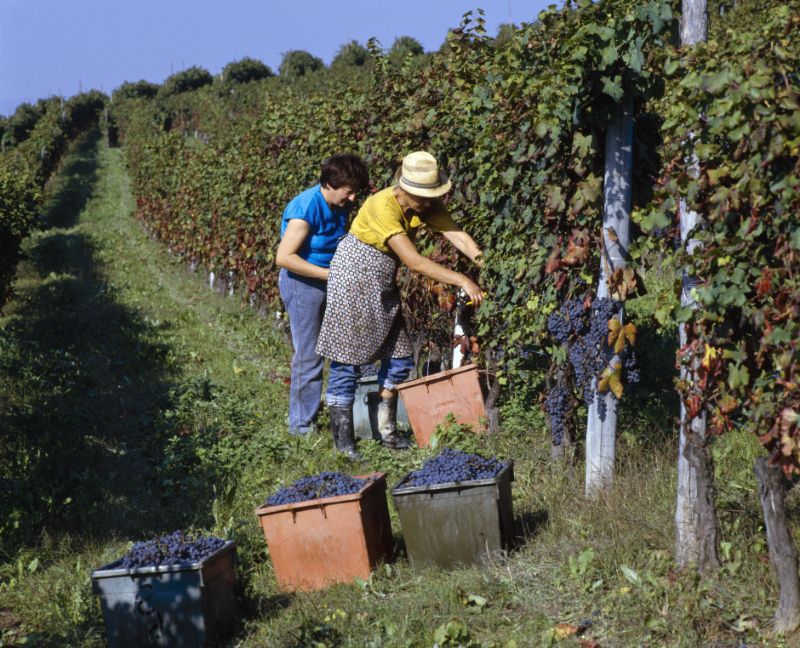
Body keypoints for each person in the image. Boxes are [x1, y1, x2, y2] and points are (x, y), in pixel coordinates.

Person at [316, 151, 484, 457]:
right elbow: (414, 262)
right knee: (348, 358)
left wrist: (484, 261)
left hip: (381, 280)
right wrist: (462, 279)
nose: (430, 202)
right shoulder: (382, 206)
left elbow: (455, 234)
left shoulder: (425, 205)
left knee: (399, 356)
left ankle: (388, 433)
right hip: (353, 278)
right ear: (405, 190)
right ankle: (344, 445)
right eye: (425, 196)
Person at [276, 154, 369, 436]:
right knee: (309, 354)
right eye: (349, 191)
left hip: (330, 280)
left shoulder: (340, 205)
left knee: (344, 349)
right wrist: (330, 275)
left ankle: (340, 415)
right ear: (329, 184)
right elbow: (284, 257)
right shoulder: (306, 207)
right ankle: (301, 426)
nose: (353, 198)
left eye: (356, 192)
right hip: (302, 283)